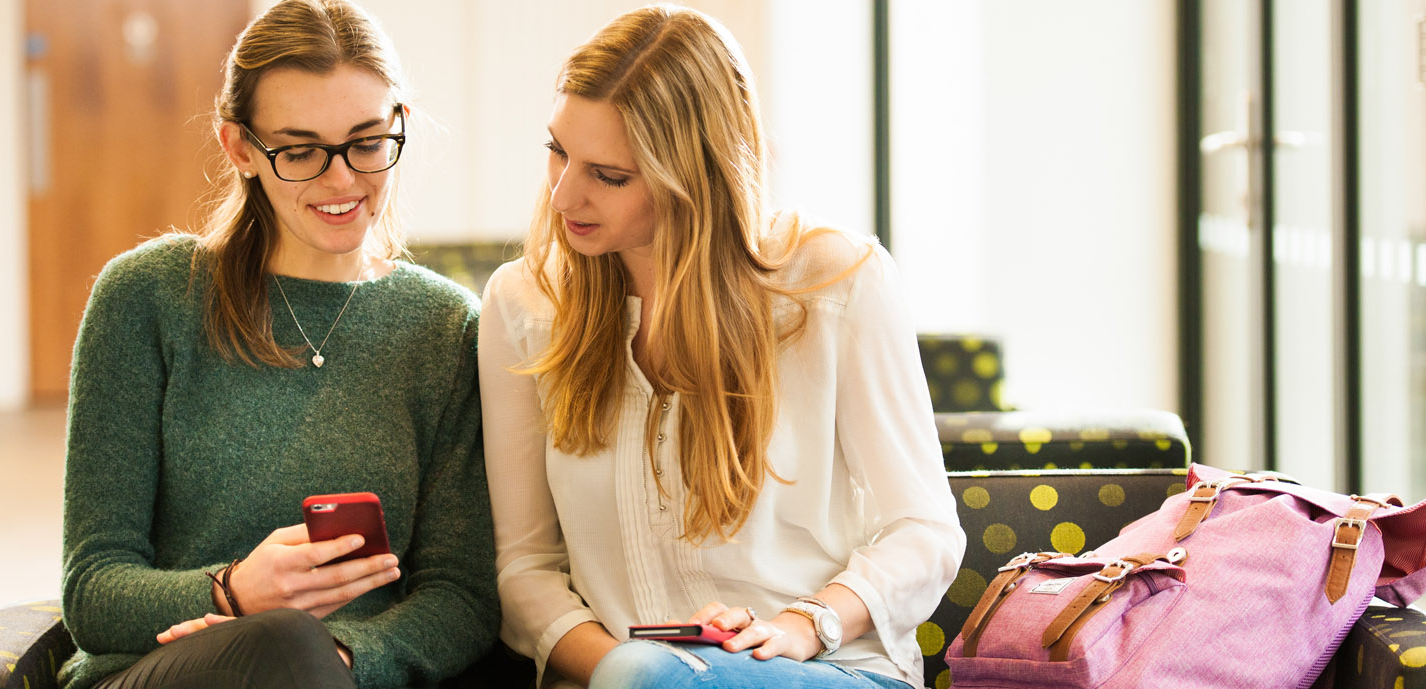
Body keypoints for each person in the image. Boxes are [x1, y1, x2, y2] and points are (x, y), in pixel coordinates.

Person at [478, 5, 963, 689]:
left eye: (607, 175)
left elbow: (925, 532)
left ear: (694, 175)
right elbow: (524, 568)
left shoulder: (837, 283)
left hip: (828, 671)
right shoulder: (523, 305)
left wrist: (805, 623)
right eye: (557, 151)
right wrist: (630, 671)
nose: (562, 195)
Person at [56, 2, 497, 688]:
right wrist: (234, 591)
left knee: (295, 650)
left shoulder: (444, 327)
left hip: (345, 678)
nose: (342, 179)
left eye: (367, 142)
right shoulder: (146, 297)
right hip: (159, 670)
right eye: (299, 151)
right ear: (240, 148)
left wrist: (342, 654)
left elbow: (461, 597)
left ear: (398, 124)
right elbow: (92, 590)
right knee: (285, 642)